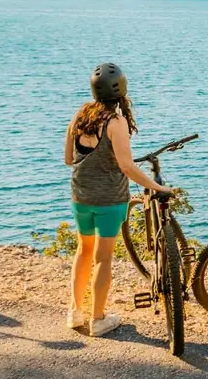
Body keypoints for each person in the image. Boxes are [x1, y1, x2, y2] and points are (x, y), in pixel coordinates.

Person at [63, 62, 175, 336]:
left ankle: (76, 313)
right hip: (109, 200)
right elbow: (126, 166)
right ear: (121, 90)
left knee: (83, 251)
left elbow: (68, 159)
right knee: (103, 258)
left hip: (80, 196)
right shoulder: (116, 122)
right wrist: (156, 187)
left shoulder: (80, 115)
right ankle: (98, 318)